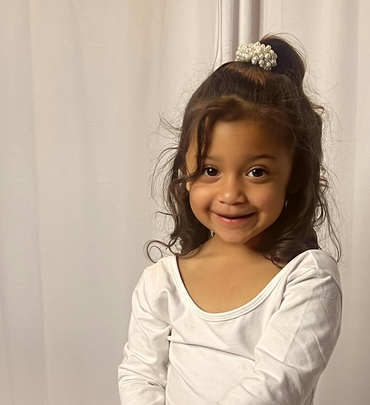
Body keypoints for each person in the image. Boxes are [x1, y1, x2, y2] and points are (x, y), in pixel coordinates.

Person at [118, 35, 343, 405]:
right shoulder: (162, 282)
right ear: (185, 171)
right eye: (210, 170)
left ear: (294, 175)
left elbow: (275, 386)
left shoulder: (307, 279)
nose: (231, 194)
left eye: (257, 172)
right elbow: (140, 376)